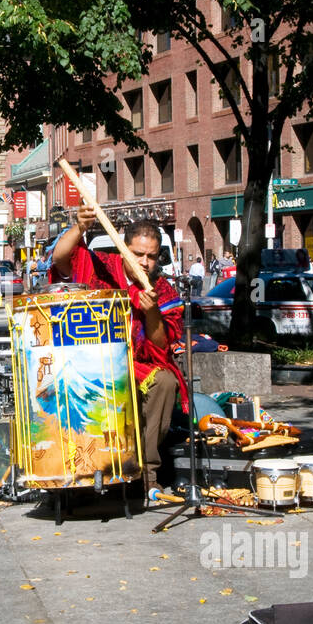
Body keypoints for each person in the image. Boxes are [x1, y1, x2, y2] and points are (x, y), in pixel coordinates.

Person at [52, 208, 188, 489]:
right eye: (138, 254)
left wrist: (152, 314)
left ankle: (147, 473)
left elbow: (162, 349)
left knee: (165, 380)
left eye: (151, 256)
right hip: (89, 359)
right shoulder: (99, 265)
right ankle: (81, 467)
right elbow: (60, 258)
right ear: (123, 249)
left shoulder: (164, 291)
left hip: (137, 366)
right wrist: (79, 227)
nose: (144, 262)